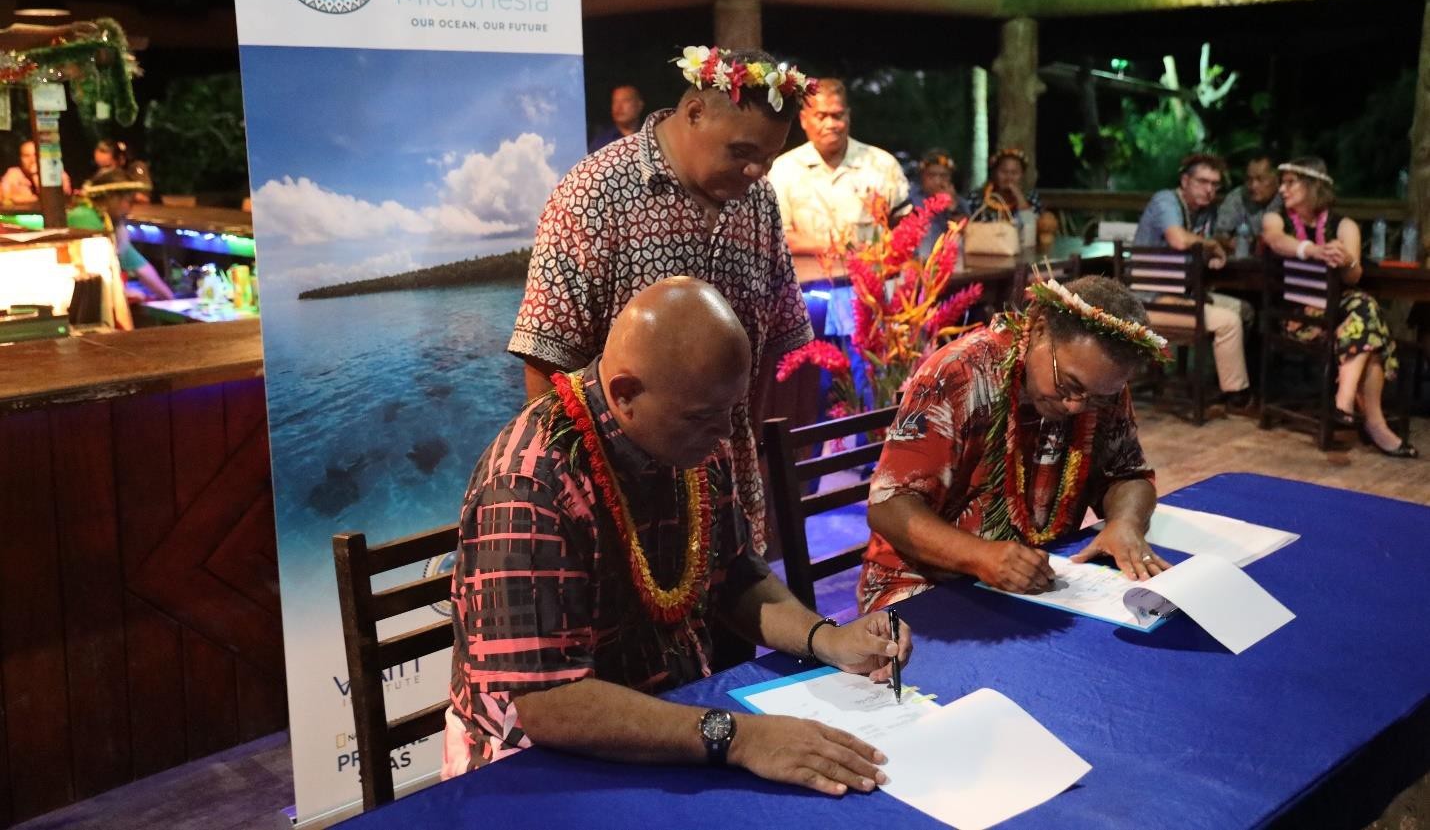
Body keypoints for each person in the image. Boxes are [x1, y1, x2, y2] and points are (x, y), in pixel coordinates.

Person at [448, 278, 912, 794]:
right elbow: (548, 702)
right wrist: (739, 738)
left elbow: (736, 574)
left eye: (732, 411)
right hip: (541, 770)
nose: (726, 434)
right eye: (706, 417)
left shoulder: (694, 436)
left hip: (678, 723)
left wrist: (828, 638)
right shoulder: (529, 484)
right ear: (625, 394)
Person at [511, 45, 817, 559]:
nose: (755, 172)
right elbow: (548, 361)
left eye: (767, 158)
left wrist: (747, 454)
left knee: (730, 632)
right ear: (694, 112)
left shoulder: (758, 200)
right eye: (741, 152)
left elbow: (771, 347)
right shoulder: (596, 192)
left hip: (727, 495)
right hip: (619, 491)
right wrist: (566, 494)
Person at [858, 275, 1169, 612]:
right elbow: (889, 506)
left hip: (1036, 580)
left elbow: (1128, 475)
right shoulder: (960, 374)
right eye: (1068, 385)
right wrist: (980, 556)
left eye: (1096, 398)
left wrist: (1125, 522)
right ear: (1038, 329)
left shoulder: (1100, 386)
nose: (1076, 406)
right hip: (924, 584)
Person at [1262, 157, 1415, 459]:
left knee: (1362, 313)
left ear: (1312, 185)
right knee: (1368, 320)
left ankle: (1345, 402)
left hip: (1340, 315)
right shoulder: (1275, 217)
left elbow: (1354, 276)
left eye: (1290, 182)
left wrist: (1345, 260)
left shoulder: (1344, 225)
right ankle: (1372, 423)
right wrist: (1314, 250)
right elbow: (1277, 241)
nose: (1282, 189)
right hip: (1297, 317)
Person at [1132, 153, 1253, 410]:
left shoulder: (1203, 212)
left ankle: (1228, 380)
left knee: (1244, 310)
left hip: (1181, 293)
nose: (1209, 190)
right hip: (1150, 302)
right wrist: (1211, 245)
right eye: (1202, 182)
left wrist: (1210, 257)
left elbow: (1196, 249)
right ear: (1185, 180)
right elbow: (1178, 239)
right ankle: (1235, 394)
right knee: (1228, 322)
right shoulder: (1165, 200)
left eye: (1214, 184)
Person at [768, 78, 909, 255]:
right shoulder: (784, 170)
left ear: (848, 116)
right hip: (808, 280)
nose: (831, 125)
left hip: (873, 276)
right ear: (804, 119)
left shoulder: (883, 164)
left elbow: (906, 225)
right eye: (821, 116)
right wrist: (838, 249)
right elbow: (776, 236)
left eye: (837, 115)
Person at [76, 167, 174, 301]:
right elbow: (98, 274)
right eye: (129, 201)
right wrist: (124, 293)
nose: (130, 209)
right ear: (112, 197)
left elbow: (137, 263)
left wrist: (169, 297)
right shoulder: (85, 218)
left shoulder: (108, 221)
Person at [1214, 152, 1282, 245]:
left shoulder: (1287, 197)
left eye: (1260, 179)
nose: (1254, 185)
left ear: (1277, 178)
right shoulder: (1237, 197)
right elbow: (1219, 234)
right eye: (1249, 179)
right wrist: (1229, 242)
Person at [1, 139, 73, 207]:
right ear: (20, 158)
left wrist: (35, 175)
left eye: (36, 155)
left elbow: (58, 197)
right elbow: (4, 198)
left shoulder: (56, 172)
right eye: (26, 156)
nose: (32, 160)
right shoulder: (13, 173)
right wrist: (36, 199)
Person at [974, 147, 1039, 214]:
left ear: (1022, 175)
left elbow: (1031, 222)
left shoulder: (1031, 198)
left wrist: (1019, 196)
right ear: (995, 173)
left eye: (1014, 172)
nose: (1009, 177)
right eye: (1004, 171)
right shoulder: (977, 197)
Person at [588, 85, 646, 153]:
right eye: (615, 101)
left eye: (625, 101)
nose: (618, 107)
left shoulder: (650, 136)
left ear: (640, 105)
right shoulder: (600, 143)